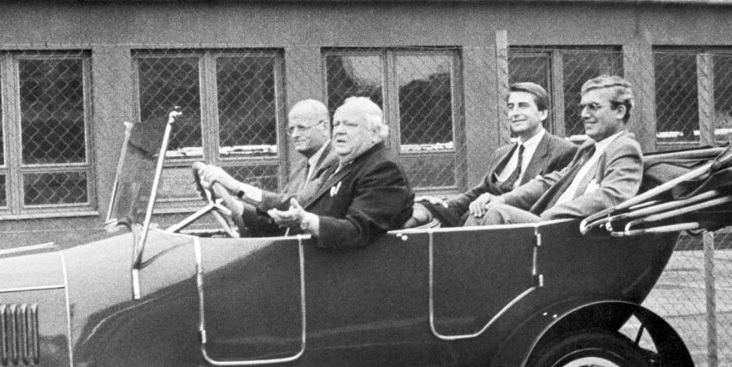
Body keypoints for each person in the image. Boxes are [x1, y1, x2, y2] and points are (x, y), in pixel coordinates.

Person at [466, 75, 642, 225]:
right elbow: (550, 182)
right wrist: (502, 199)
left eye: (594, 107)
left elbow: (612, 197)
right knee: (483, 210)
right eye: (583, 107)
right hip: (549, 224)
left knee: (497, 213)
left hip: (568, 231)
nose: (584, 115)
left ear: (619, 111)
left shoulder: (624, 148)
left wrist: (551, 215)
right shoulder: (589, 148)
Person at [415, 82, 578, 227]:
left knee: (477, 217)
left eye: (523, 106)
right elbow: (478, 193)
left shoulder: (563, 151)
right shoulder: (502, 154)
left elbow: (548, 198)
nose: (515, 113)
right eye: (511, 107)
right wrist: (440, 205)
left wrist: (493, 204)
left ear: (543, 113)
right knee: (423, 210)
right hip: (483, 219)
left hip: (521, 226)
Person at [267, 96, 414, 249]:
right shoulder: (342, 163)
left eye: (349, 125)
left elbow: (358, 230)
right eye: (336, 124)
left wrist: (306, 221)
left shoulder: (383, 169)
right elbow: (307, 206)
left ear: (374, 132)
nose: (339, 131)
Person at [196, 99, 334, 233]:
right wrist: (232, 204)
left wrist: (236, 186)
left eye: (302, 128)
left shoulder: (335, 163)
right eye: (291, 129)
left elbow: (291, 203)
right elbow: (276, 218)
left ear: (325, 126)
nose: (295, 135)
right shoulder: (302, 167)